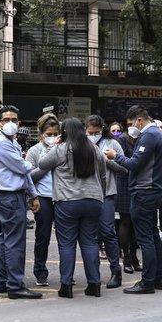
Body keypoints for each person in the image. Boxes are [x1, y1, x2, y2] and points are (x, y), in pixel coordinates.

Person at [39, 118, 106, 298]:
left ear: (64, 133)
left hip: (68, 201)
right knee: (90, 242)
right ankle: (94, 284)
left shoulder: (61, 149)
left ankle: (66, 285)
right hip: (93, 200)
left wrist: (56, 145)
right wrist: (101, 195)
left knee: (67, 244)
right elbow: (103, 174)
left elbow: (42, 165)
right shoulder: (94, 149)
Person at [104, 106, 162, 294]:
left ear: (139, 120)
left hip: (144, 192)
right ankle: (158, 278)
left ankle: (148, 282)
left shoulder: (149, 135)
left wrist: (116, 156)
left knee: (145, 238)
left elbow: (135, 164)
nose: (131, 128)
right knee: (153, 236)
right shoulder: (156, 134)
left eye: (131, 124)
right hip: (150, 191)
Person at [0, 105, 42, 299]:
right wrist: (32, 162)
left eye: (14, 120)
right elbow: (22, 167)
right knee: (14, 242)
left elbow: (24, 173)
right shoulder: (0, 142)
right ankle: (15, 285)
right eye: (7, 120)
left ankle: (2, 281)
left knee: (6, 239)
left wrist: (33, 195)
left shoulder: (12, 142)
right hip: (9, 196)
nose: (11, 124)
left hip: (14, 195)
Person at [85, 115, 128, 289]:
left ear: (102, 129)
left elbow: (124, 169)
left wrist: (107, 159)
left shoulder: (113, 144)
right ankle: (93, 275)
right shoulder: (83, 143)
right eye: (90, 132)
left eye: (96, 132)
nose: (93, 135)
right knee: (90, 236)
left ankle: (115, 271)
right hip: (87, 194)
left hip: (107, 193)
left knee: (108, 231)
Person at [26, 113, 59, 286]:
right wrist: (47, 164)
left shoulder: (63, 148)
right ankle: (40, 272)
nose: (52, 138)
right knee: (43, 236)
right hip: (43, 197)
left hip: (62, 197)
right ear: (41, 135)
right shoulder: (34, 151)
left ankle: (67, 272)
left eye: (55, 134)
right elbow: (29, 176)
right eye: (49, 134)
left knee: (65, 238)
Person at [111, 122, 141, 274]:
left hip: (138, 183)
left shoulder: (142, 138)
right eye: (130, 123)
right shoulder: (121, 141)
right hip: (124, 182)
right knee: (125, 221)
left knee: (136, 223)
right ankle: (127, 258)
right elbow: (116, 161)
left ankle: (135, 258)